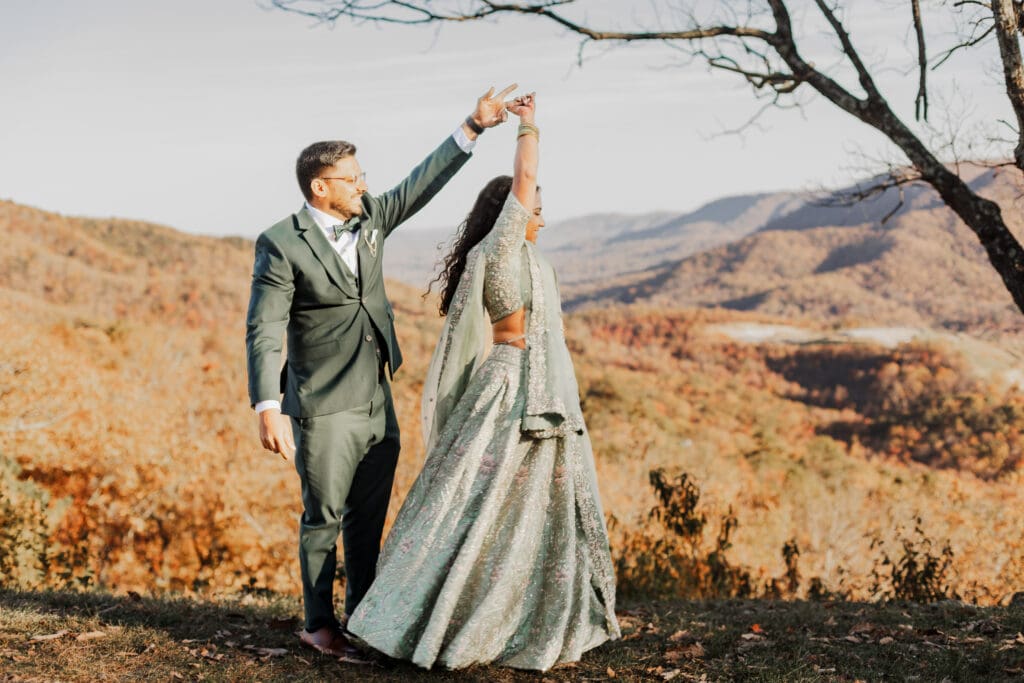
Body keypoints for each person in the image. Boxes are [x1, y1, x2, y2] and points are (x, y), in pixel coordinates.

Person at [347, 93, 621, 671]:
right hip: (516, 384)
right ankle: (457, 616)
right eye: (535, 208)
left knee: (502, 501)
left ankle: (511, 610)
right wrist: (529, 124)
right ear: (514, 213)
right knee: (488, 499)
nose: (541, 216)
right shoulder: (503, 248)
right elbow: (524, 175)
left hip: (522, 381)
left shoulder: (516, 259)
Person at [244, 84, 518, 659]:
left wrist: (471, 126)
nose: (363, 184)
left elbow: (417, 186)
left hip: (376, 398)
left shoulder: (369, 217)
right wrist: (267, 405)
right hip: (322, 405)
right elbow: (264, 328)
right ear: (321, 187)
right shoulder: (279, 243)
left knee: (368, 519)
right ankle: (318, 624)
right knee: (322, 519)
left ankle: (366, 621)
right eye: (352, 177)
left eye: (362, 174)